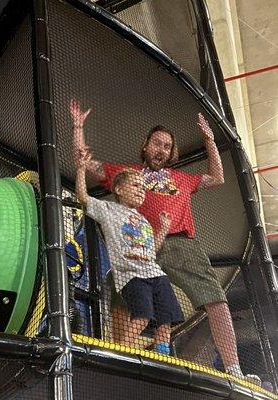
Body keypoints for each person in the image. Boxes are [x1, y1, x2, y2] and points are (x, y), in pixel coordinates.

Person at [70, 99, 260, 381]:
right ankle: (122, 358)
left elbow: (217, 177)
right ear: (145, 146)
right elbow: (84, 161)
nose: (161, 149)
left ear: (172, 154)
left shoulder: (181, 179)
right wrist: (78, 127)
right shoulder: (127, 174)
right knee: (119, 291)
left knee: (213, 297)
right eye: (157, 143)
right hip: (138, 244)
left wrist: (209, 139)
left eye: (167, 146)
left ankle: (234, 369)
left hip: (179, 242)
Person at [75, 148, 184, 355]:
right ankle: (122, 351)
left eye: (143, 188)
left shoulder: (143, 220)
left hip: (155, 273)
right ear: (118, 189)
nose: (140, 190)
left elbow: (153, 249)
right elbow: (83, 196)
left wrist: (162, 228)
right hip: (131, 275)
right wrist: (81, 169)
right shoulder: (108, 210)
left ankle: (163, 354)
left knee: (166, 318)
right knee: (142, 317)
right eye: (135, 185)